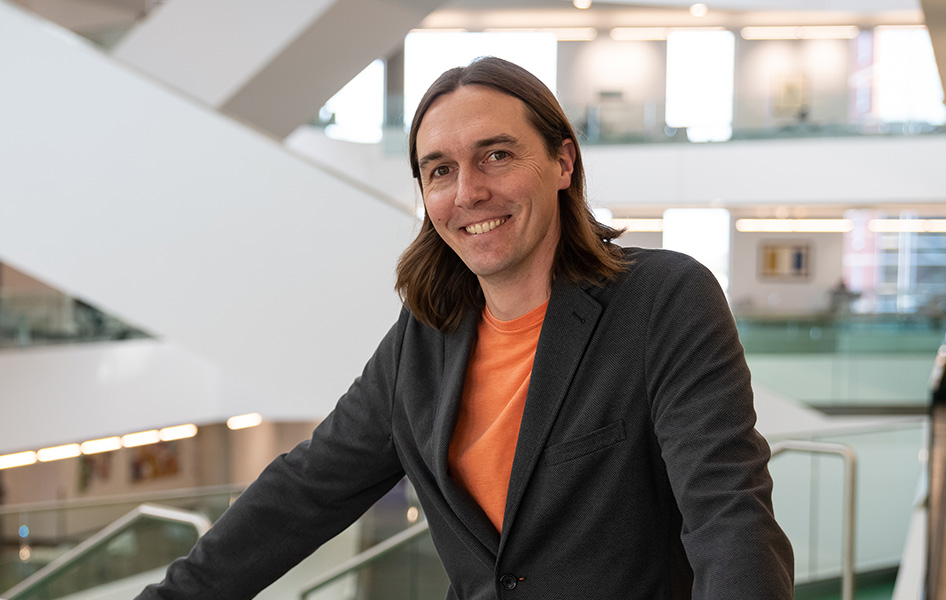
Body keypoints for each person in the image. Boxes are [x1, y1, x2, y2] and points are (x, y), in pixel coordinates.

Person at [138, 57, 793, 600]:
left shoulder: (663, 299)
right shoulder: (426, 336)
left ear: (563, 162)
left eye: (498, 155)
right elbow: (303, 492)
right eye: (440, 170)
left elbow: (728, 517)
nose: (469, 192)